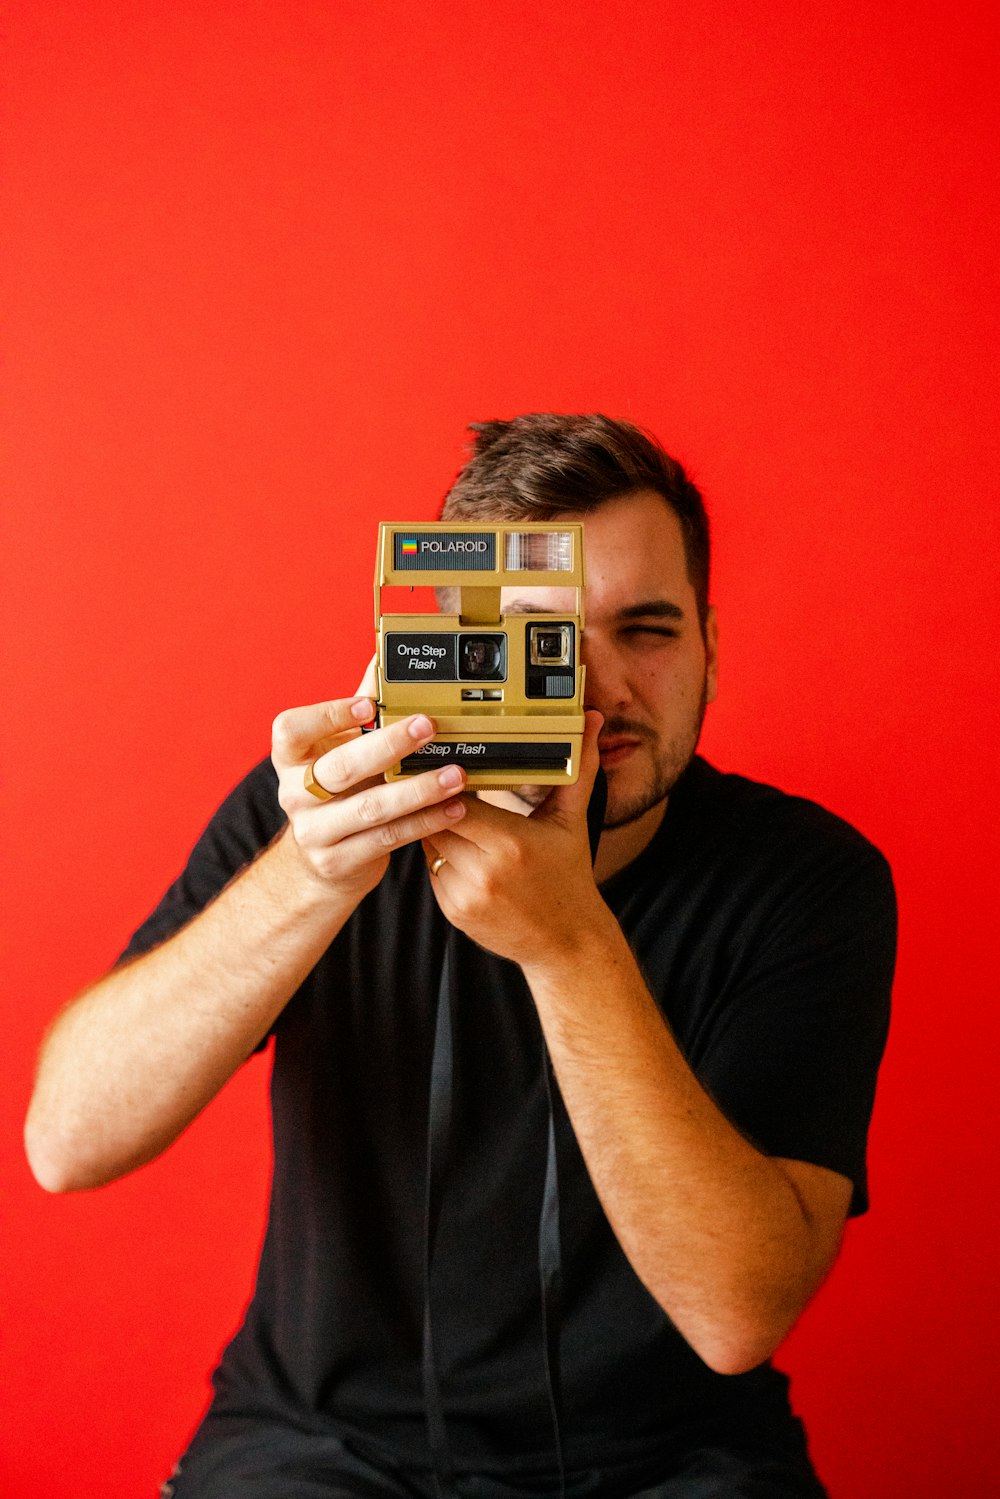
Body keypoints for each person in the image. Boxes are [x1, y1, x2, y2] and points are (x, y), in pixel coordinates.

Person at [25, 414, 896, 1499]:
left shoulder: (807, 878)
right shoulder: (320, 820)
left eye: (649, 629)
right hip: (320, 1440)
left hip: (670, 1454)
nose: (596, 685)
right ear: (443, 639)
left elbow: (734, 1317)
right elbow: (65, 1142)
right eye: (541, 633)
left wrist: (569, 940)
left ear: (712, 645)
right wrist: (315, 873)